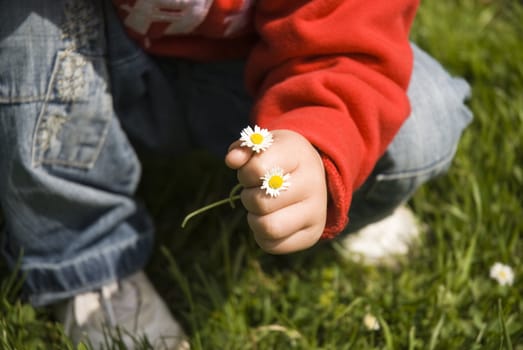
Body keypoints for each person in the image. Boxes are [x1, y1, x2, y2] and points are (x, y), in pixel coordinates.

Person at [0, 0, 472, 348]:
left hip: (251, 69)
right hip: (77, 66)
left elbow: (347, 42)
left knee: (417, 124)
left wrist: (319, 140)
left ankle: (328, 187)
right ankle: (87, 256)